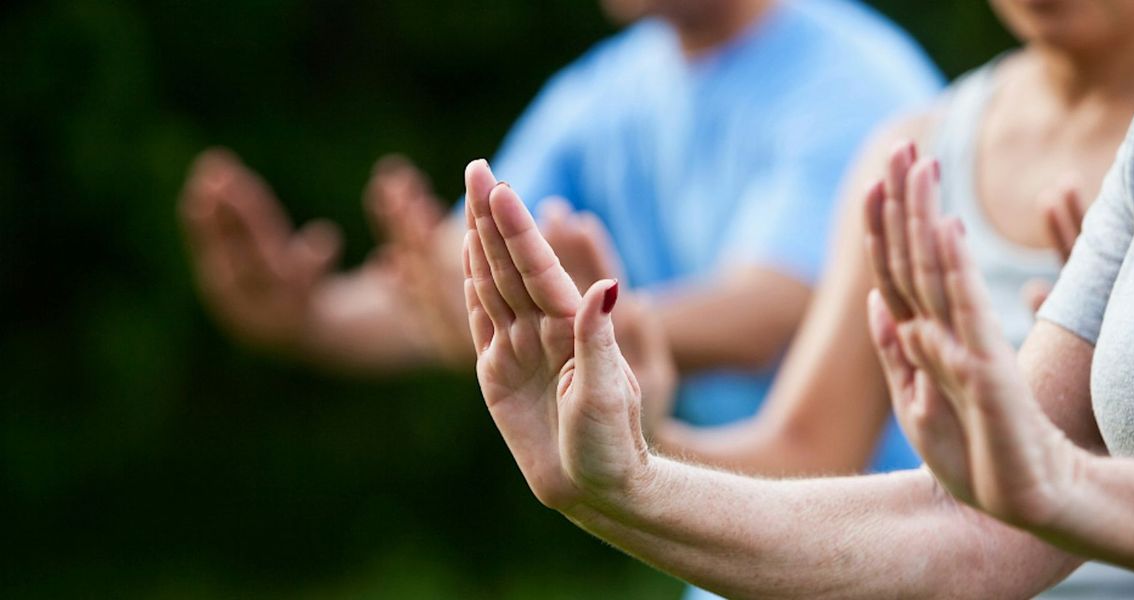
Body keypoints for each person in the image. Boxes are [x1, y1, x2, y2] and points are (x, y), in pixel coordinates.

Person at [461, 45, 1134, 591]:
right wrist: (627, 476)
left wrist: (1065, 485)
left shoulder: (844, 78)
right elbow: (973, 529)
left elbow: (1029, 494)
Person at [179, 0, 942, 462]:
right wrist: (308, 319)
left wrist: (566, 330)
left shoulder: (857, 83)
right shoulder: (601, 96)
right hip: (737, 561)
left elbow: (773, 310)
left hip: (900, 558)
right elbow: (460, 290)